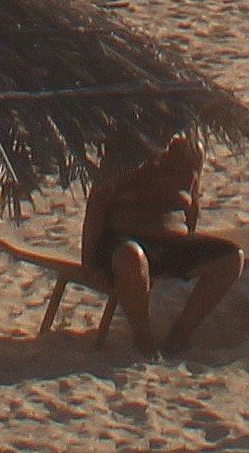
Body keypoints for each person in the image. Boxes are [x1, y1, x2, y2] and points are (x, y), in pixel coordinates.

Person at [79, 128, 239, 355]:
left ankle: (178, 337)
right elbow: (98, 203)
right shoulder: (125, 150)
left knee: (232, 258)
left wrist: (189, 238)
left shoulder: (190, 151)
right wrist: (89, 260)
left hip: (170, 244)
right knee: (132, 257)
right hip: (124, 241)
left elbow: (192, 202)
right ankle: (143, 340)